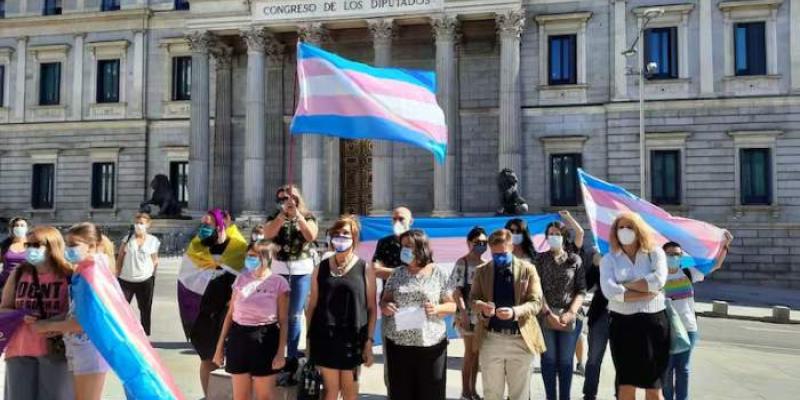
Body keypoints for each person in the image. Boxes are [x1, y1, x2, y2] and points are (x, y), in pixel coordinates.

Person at [34, 222, 118, 400]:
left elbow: (87, 322)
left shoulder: (94, 275)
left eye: (74, 245)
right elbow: (77, 312)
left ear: (92, 246)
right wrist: (56, 324)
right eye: (67, 244)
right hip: (80, 346)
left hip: (90, 348)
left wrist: (48, 325)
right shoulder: (85, 271)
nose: (68, 249)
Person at [306, 216, 377, 400]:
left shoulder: (365, 268)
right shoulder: (320, 268)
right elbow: (312, 305)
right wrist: (309, 340)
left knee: (350, 392)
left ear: (354, 237)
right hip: (325, 337)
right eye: (336, 233)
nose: (340, 236)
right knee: (330, 391)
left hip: (352, 340)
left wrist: (369, 341)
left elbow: (371, 308)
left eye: (345, 233)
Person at [600, 212, 669, 400]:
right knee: (626, 386)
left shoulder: (655, 253)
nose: (625, 231)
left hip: (653, 324)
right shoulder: (609, 259)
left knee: (654, 388)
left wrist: (623, 286)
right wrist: (644, 290)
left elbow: (658, 281)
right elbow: (609, 291)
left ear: (639, 230)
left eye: (629, 227)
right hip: (622, 326)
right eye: (620, 227)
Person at [380, 229, 456, 400]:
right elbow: (384, 302)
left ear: (421, 247)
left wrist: (437, 309)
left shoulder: (439, 273)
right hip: (399, 347)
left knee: (431, 394)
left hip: (431, 346)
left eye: (409, 246)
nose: (404, 250)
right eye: (403, 246)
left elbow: (452, 305)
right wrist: (386, 306)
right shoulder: (397, 273)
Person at [180, 208, 249, 396]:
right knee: (207, 358)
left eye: (208, 224)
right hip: (203, 312)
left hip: (229, 312)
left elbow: (246, 276)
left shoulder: (237, 247)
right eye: (202, 224)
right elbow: (186, 276)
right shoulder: (196, 246)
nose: (203, 227)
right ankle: (208, 396)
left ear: (219, 226)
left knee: (231, 360)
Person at [471, 228, 545, 400]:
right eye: (495, 255)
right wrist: (482, 307)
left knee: (519, 395)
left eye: (503, 253)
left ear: (512, 247)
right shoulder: (482, 271)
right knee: (492, 394)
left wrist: (514, 312)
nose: (499, 258)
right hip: (491, 339)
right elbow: (473, 300)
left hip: (521, 339)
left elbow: (536, 303)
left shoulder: (528, 269)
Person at [0, 226, 73, 400]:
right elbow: (3, 309)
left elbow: (76, 312)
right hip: (20, 348)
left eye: (36, 245)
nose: (31, 249)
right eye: (28, 245)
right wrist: (20, 315)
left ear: (52, 246)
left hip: (55, 348)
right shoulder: (19, 273)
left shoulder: (68, 275)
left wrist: (56, 322)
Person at [213, 241, 289, 400]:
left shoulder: (279, 282)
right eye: (248, 255)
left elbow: (283, 320)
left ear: (266, 258)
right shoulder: (241, 279)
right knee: (240, 396)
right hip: (238, 338)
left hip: (265, 339)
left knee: (264, 396)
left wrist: (281, 352)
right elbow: (230, 315)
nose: (249, 259)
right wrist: (219, 347)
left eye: (254, 256)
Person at [661, 232, 732, 400]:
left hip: (688, 328)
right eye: (670, 254)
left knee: (683, 369)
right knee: (666, 369)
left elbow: (715, 264)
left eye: (677, 254)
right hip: (665, 330)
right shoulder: (657, 276)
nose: (673, 257)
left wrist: (725, 245)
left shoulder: (688, 272)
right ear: (662, 256)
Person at [263, 184, 318, 380]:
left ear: (297, 199)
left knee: (294, 315)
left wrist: (298, 216)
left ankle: (292, 356)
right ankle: (277, 352)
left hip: (301, 271)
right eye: (281, 199)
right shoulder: (274, 216)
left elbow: (311, 235)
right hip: (279, 269)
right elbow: (268, 234)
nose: (285, 202)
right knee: (278, 314)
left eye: (288, 198)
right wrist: (281, 217)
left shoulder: (308, 216)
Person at [536, 221, 587, 400]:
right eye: (550, 233)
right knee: (548, 359)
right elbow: (535, 290)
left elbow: (581, 290)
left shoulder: (575, 259)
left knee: (566, 361)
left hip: (569, 316)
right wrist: (548, 313)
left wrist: (570, 313)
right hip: (546, 315)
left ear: (564, 236)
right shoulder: (540, 259)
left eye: (557, 233)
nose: (554, 237)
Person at [451, 226, 487, 400]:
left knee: (477, 353)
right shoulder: (462, 262)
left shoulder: (487, 264)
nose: (481, 245)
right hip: (466, 314)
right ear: (469, 243)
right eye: (477, 242)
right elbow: (456, 291)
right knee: (469, 352)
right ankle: (465, 391)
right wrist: (464, 313)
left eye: (484, 242)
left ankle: (473, 390)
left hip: (481, 316)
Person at [115, 213, 161, 336]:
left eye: (141, 223)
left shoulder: (153, 240)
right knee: (121, 308)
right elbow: (120, 257)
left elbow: (155, 259)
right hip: (126, 279)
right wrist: (116, 274)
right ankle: (121, 333)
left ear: (148, 225)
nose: (138, 225)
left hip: (145, 280)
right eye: (137, 223)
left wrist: (152, 274)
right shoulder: (127, 239)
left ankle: (144, 335)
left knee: (145, 309)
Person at [582, 247, 612, 400]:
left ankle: (622, 394)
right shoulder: (603, 255)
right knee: (594, 357)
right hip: (600, 314)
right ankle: (589, 394)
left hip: (624, 316)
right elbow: (586, 285)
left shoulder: (632, 259)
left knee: (622, 360)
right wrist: (595, 266)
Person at [372, 206, 413, 281]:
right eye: (394, 219)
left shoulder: (419, 242)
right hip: (390, 288)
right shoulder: (384, 242)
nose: (397, 222)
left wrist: (388, 272)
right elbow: (376, 270)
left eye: (401, 219)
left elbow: (426, 270)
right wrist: (407, 273)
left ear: (410, 221)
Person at [0, 217, 30, 289]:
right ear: (12, 228)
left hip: (25, 284)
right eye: (16, 225)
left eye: (22, 225)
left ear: (27, 228)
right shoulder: (5, 244)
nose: (19, 228)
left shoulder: (32, 243)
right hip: (5, 283)